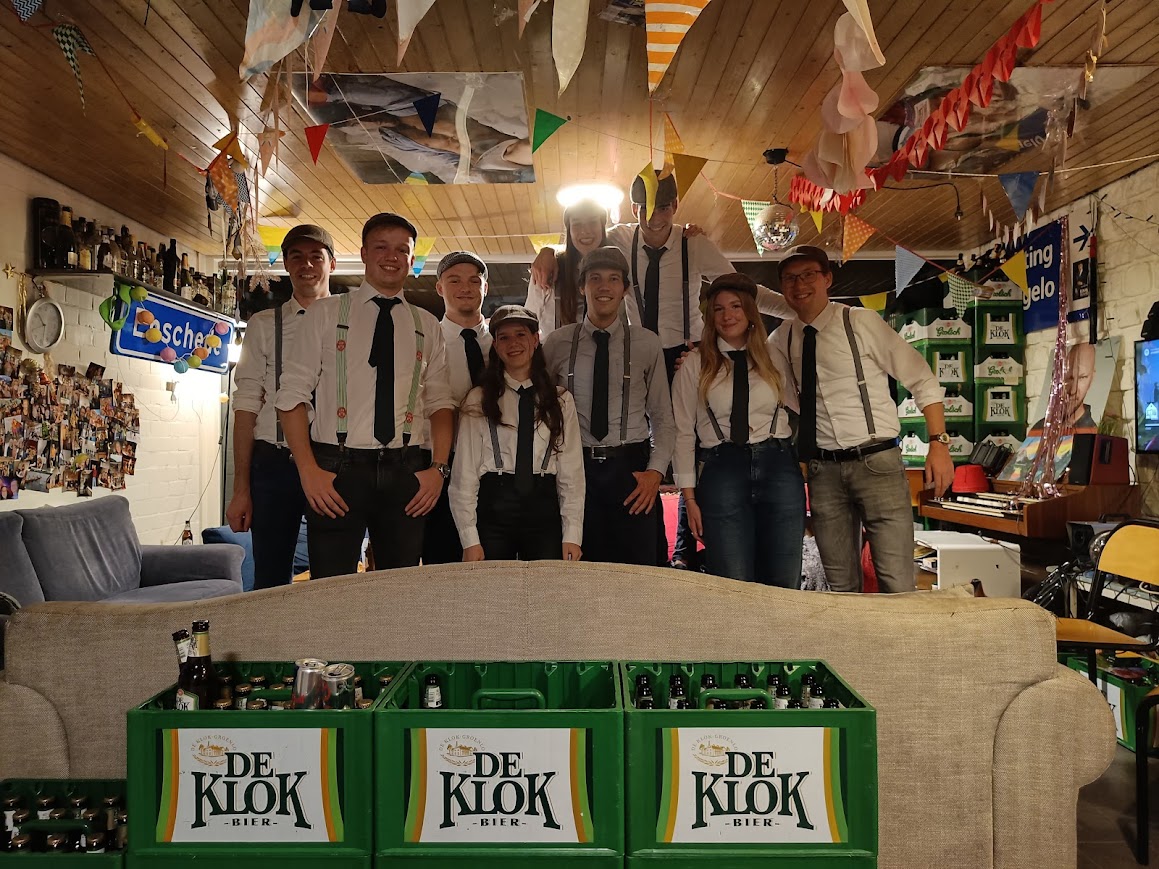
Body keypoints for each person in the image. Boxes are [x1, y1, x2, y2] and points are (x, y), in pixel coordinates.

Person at [276, 212, 455, 578]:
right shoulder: (324, 314)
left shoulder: (427, 324)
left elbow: (440, 404)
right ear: (363, 253)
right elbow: (291, 395)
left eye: (401, 250)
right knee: (332, 587)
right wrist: (308, 470)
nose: (391, 256)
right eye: (381, 247)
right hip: (336, 466)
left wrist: (438, 469)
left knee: (399, 586)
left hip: (407, 468)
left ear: (412, 259)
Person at [769, 245, 954, 594]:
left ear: (827, 279)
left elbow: (922, 378)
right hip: (823, 472)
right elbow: (780, 392)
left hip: (877, 462)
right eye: (790, 278)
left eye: (808, 274)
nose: (799, 285)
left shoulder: (859, 321)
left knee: (897, 582)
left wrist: (939, 444)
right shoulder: (781, 338)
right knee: (840, 587)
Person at [543, 246, 674, 565]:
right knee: (580, 571)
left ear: (625, 288)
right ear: (582, 287)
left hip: (631, 470)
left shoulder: (647, 342)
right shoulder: (557, 342)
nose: (604, 286)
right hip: (576, 469)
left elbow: (662, 417)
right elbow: (541, 412)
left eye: (614, 279)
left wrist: (655, 472)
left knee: (639, 573)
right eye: (595, 278)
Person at [673, 273, 805, 586]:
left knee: (784, 578)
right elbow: (683, 433)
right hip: (722, 471)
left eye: (735, 306)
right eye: (718, 309)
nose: (727, 315)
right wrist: (689, 500)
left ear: (750, 312)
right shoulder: (694, 363)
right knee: (732, 581)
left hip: (778, 465)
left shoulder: (774, 355)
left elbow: (801, 404)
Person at [226, 224, 333, 588]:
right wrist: (241, 488)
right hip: (274, 464)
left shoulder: (351, 323)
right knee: (270, 580)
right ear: (286, 265)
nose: (307, 265)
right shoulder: (263, 325)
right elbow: (246, 405)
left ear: (331, 264)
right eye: (297, 257)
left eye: (316, 256)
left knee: (334, 578)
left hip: (334, 462)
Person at [451, 305, 584, 562]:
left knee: (545, 586)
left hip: (544, 510)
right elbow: (464, 473)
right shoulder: (478, 399)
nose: (513, 343)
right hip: (494, 509)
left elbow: (572, 473)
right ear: (496, 346)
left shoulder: (560, 400)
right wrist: (469, 539)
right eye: (504, 337)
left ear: (535, 339)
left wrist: (572, 534)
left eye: (521, 334)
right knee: (493, 585)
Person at [421, 251, 493, 565]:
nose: (465, 288)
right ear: (439, 288)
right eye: (454, 280)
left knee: (496, 563)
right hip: (441, 465)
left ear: (485, 288)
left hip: (496, 467)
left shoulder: (505, 343)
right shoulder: (425, 341)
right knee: (443, 562)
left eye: (474, 281)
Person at [524, 200, 608, 340]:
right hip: (556, 352)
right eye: (577, 224)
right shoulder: (548, 270)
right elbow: (527, 322)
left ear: (602, 226)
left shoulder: (617, 269)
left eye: (593, 222)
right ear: (569, 230)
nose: (586, 231)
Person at [1029, 342, 1098, 434]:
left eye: (1082, 377)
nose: (1073, 390)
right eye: (1068, 378)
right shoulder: (1039, 428)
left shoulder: (1092, 432)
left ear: (1092, 378)